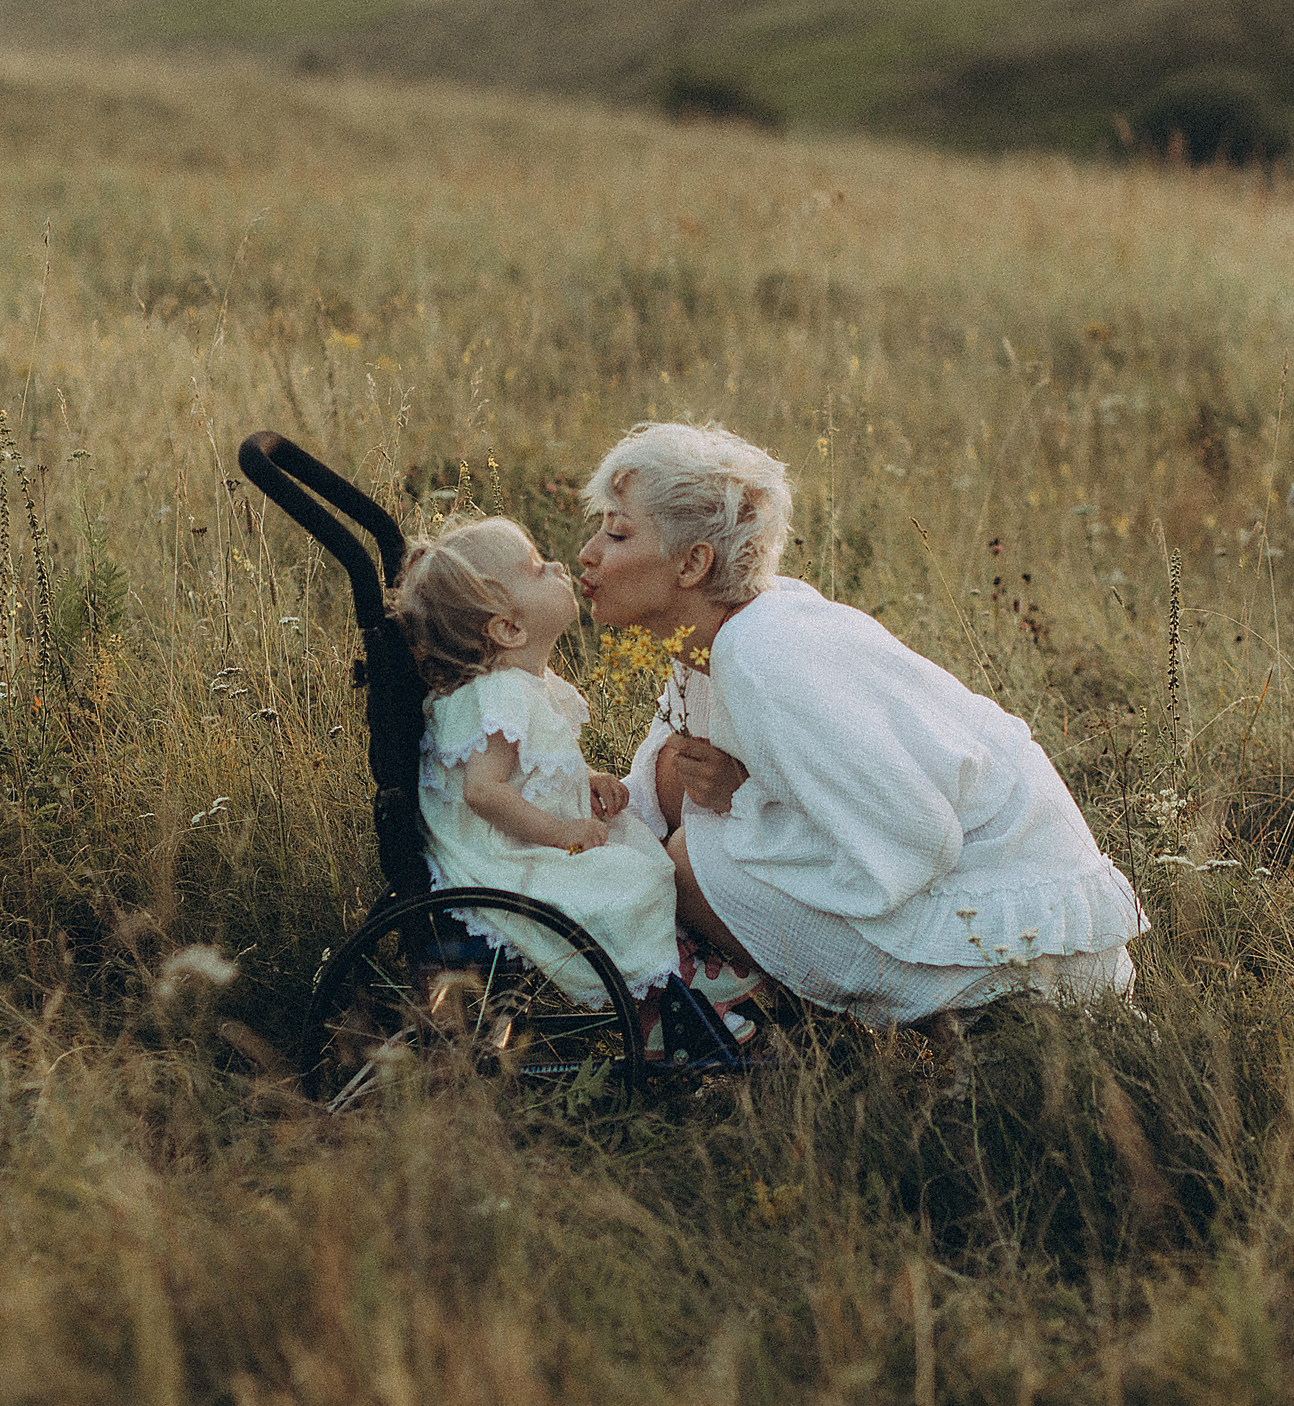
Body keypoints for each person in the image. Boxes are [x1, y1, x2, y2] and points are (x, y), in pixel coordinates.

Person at [576, 422, 1147, 1028]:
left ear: (693, 563)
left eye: (617, 533)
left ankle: (941, 1028)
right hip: (985, 890)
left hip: (1024, 936)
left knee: (692, 861)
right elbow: (663, 790)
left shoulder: (763, 655)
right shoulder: (714, 637)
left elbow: (918, 836)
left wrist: (742, 801)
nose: (587, 553)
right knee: (673, 776)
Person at [389, 515, 702, 1031]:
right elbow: (483, 791)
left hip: (518, 840)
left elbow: (528, 769)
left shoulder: (522, 683)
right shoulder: (500, 695)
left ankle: (667, 971)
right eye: (536, 568)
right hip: (498, 859)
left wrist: (587, 779)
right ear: (509, 628)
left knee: (635, 844)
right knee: (628, 879)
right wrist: (561, 833)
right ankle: (657, 1004)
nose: (557, 565)